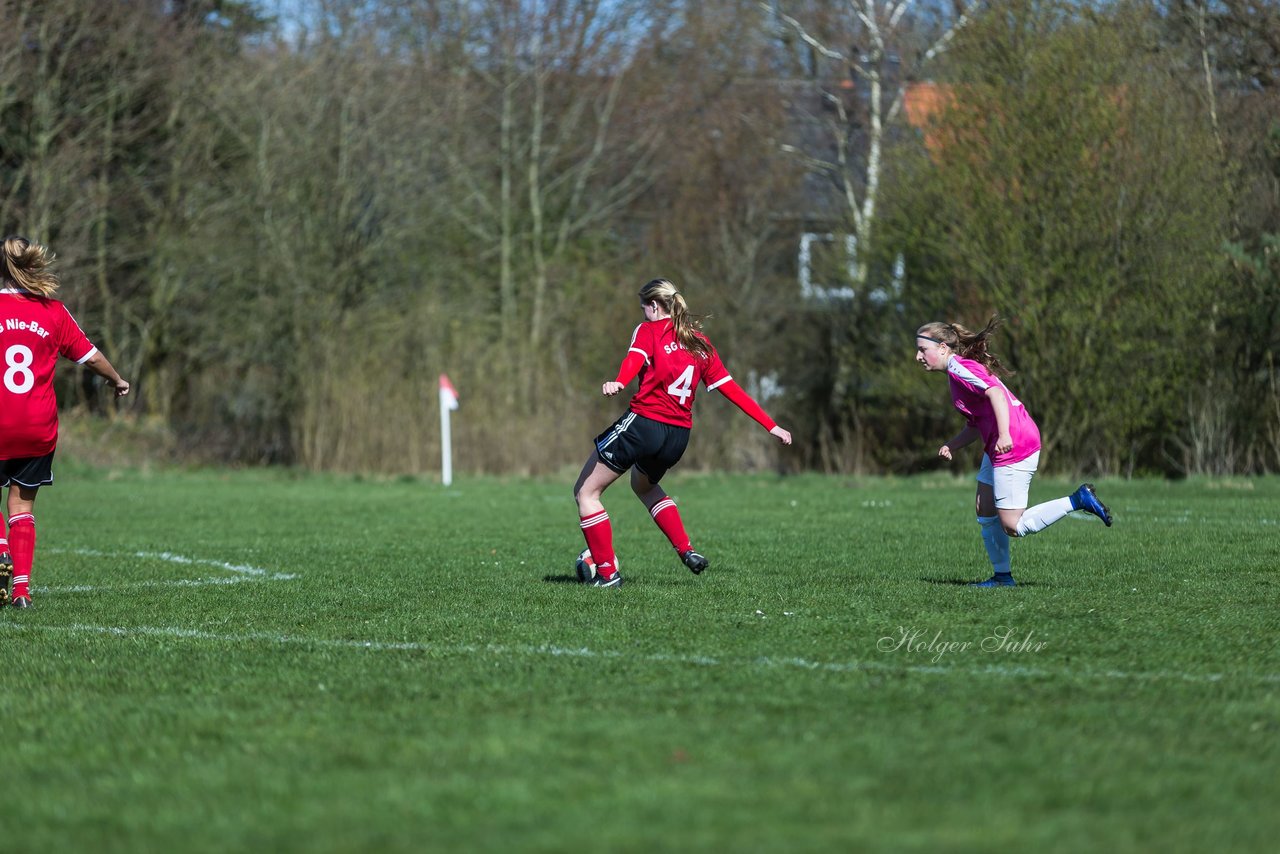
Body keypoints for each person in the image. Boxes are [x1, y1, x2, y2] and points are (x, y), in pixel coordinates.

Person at [572, 278, 792, 588]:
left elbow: (633, 360)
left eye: (643, 308)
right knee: (645, 487)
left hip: (644, 423)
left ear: (654, 306)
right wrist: (772, 425)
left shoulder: (648, 330)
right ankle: (686, 550)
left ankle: (607, 574)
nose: (643, 314)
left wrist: (620, 382)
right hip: (678, 436)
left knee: (586, 493)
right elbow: (733, 390)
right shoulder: (699, 343)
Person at [915, 317, 1111, 587]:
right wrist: (953, 444)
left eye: (922, 350)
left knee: (1013, 526)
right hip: (1001, 441)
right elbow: (976, 423)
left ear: (943, 348)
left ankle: (1078, 500)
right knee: (985, 509)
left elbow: (995, 393)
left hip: (1014, 441)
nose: (918, 356)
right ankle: (1002, 577)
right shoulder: (956, 373)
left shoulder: (959, 367)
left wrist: (1005, 434)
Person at [1, 235, 130, 608]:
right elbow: (90, 356)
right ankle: (21, 592)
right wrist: (117, 379)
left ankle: (0, 553)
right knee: (22, 507)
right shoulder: (53, 312)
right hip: (38, 426)